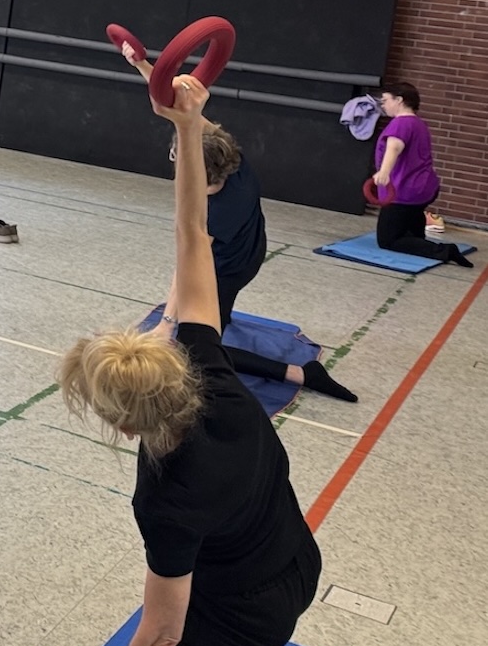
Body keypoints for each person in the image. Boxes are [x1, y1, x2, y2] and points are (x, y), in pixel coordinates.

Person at [59, 74, 322, 646]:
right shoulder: (210, 368)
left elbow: (160, 636)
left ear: (125, 426)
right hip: (293, 556)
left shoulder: (168, 497)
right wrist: (187, 127)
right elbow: (191, 236)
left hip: (245, 614)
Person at [119, 43, 358, 401]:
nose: (173, 156)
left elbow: (186, 270)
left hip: (227, 270)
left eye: (176, 154)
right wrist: (142, 64)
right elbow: (181, 107)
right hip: (252, 248)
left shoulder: (212, 214)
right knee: (206, 326)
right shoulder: (232, 158)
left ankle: (300, 373)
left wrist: (167, 325)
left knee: (196, 350)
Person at [369, 81, 472, 267]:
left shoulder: (400, 123)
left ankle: (444, 251)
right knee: (410, 227)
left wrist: (384, 172)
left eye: (385, 100)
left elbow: (394, 147)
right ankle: (416, 236)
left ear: (399, 100)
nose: (383, 105)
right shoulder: (419, 123)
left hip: (402, 192)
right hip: (423, 189)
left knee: (388, 240)